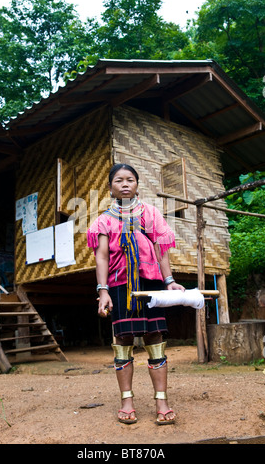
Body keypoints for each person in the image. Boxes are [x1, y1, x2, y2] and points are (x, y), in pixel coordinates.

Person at [87, 163, 185, 425]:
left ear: (137, 184)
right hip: (119, 286)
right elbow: (102, 258)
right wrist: (103, 291)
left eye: (130, 179)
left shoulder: (150, 214)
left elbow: (160, 249)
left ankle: (162, 402)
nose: (125, 184)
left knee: (155, 339)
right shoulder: (103, 221)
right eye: (119, 180)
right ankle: (126, 401)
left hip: (150, 284)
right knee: (123, 340)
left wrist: (170, 282)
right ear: (110, 188)